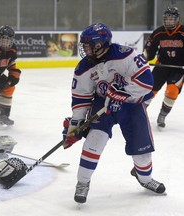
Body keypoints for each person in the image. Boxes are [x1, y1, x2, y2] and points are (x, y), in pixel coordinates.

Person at [63, 23, 166, 204]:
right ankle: (82, 182)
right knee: (94, 141)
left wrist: (124, 91)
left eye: (87, 45)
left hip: (132, 105)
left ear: (99, 44)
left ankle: (144, 178)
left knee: (142, 155)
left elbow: (147, 81)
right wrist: (76, 123)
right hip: (104, 106)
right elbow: (81, 99)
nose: (84, 48)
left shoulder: (126, 55)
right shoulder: (83, 68)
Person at [144, 7, 184, 128]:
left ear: (177, 20)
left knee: (172, 91)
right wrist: (145, 57)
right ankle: (140, 112)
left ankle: (162, 114)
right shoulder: (158, 32)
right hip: (161, 66)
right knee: (149, 90)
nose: (169, 22)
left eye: (172, 19)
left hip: (179, 68)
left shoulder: (183, 32)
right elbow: (149, 50)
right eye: (167, 19)